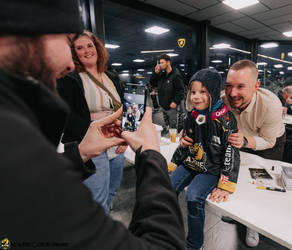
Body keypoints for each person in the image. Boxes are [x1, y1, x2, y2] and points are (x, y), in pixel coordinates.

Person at [0, 1, 185, 249]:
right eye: (69, 42)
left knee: (109, 192)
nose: (69, 60)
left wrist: (81, 153)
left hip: (105, 145)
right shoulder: (15, 143)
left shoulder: (17, 143)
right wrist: (152, 156)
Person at [168, 68, 240, 250]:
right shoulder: (191, 116)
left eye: (202, 92)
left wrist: (225, 183)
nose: (196, 97)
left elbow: (232, 152)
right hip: (191, 162)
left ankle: (194, 245)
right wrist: (174, 162)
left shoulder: (226, 119)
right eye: (193, 92)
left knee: (193, 197)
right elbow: (185, 142)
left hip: (211, 169)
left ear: (214, 93)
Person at [57, 30, 126, 213]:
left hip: (115, 143)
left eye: (90, 45)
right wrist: (93, 132)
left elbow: (120, 108)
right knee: (96, 198)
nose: (87, 50)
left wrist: (123, 136)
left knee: (112, 190)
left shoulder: (112, 77)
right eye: (79, 48)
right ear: (74, 54)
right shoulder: (70, 79)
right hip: (91, 144)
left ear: (97, 47)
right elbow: (66, 115)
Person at [223, 59, 286, 247]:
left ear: (256, 86)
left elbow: (268, 141)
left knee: (264, 181)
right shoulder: (223, 99)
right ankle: (237, 211)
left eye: (241, 86)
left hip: (270, 140)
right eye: (229, 86)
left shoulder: (271, 105)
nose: (232, 93)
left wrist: (244, 140)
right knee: (237, 173)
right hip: (239, 137)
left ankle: (254, 225)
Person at [150, 53, 185, 135]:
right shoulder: (162, 75)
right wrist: (155, 73)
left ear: (168, 62)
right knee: (166, 128)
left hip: (172, 108)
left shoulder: (176, 75)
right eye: (160, 63)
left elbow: (181, 91)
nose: (160, 65)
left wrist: (175, 102)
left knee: (173, 130)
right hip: (163, 107)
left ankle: (174, 146)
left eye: (162, 62)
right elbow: (153, 83)